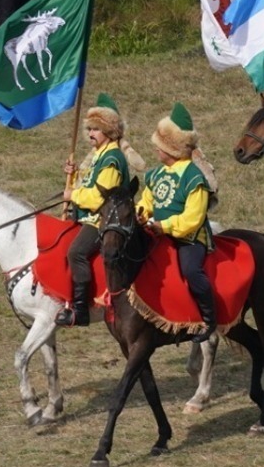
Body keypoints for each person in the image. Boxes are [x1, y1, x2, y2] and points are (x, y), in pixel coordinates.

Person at [56, 94, 144, 328]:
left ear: (109, 131)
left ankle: (81, 310)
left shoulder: (112, 159)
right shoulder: (100, 155)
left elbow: (97, 198)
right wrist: (73, 175)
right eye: (89, 129)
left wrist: (70, 195)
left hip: (104, 219)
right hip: (91, 216)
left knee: (76, 252)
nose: (90, 134)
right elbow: (87, 185)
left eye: (96, 129)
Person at [137, 103, 221, 341]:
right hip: (158, 233)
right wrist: (140, 214)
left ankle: (208, 319)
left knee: (191, 271)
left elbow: (192, 219)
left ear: (172, 148)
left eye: (159, 146)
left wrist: (163, 226)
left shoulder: (194, 178)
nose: (155, 149)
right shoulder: (156, 174)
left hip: (190, 238)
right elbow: (147, 200)